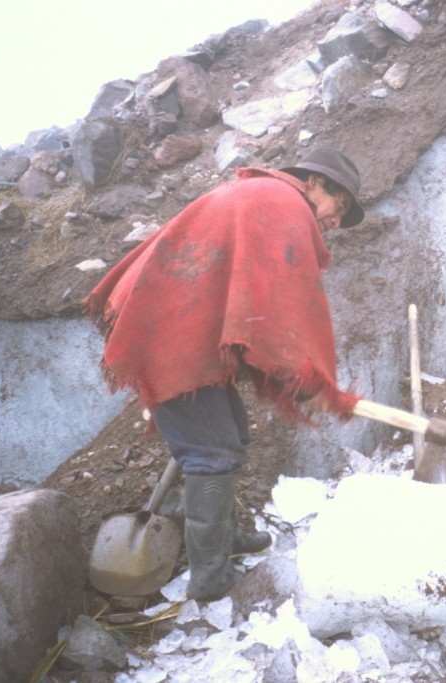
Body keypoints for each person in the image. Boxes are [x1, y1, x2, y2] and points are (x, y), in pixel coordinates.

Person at [82, 147, 365, 600]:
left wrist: (294, 375)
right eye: (340, 206)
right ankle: (209, 579)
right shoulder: (284, 207)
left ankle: (226, 538)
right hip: (169, 333)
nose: (335, 222)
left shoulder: (265, 195)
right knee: (210, 453)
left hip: (171, 319)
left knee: (227, 430)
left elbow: (249, 304)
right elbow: (284, 314)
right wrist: (308, 380)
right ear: (314, 183)